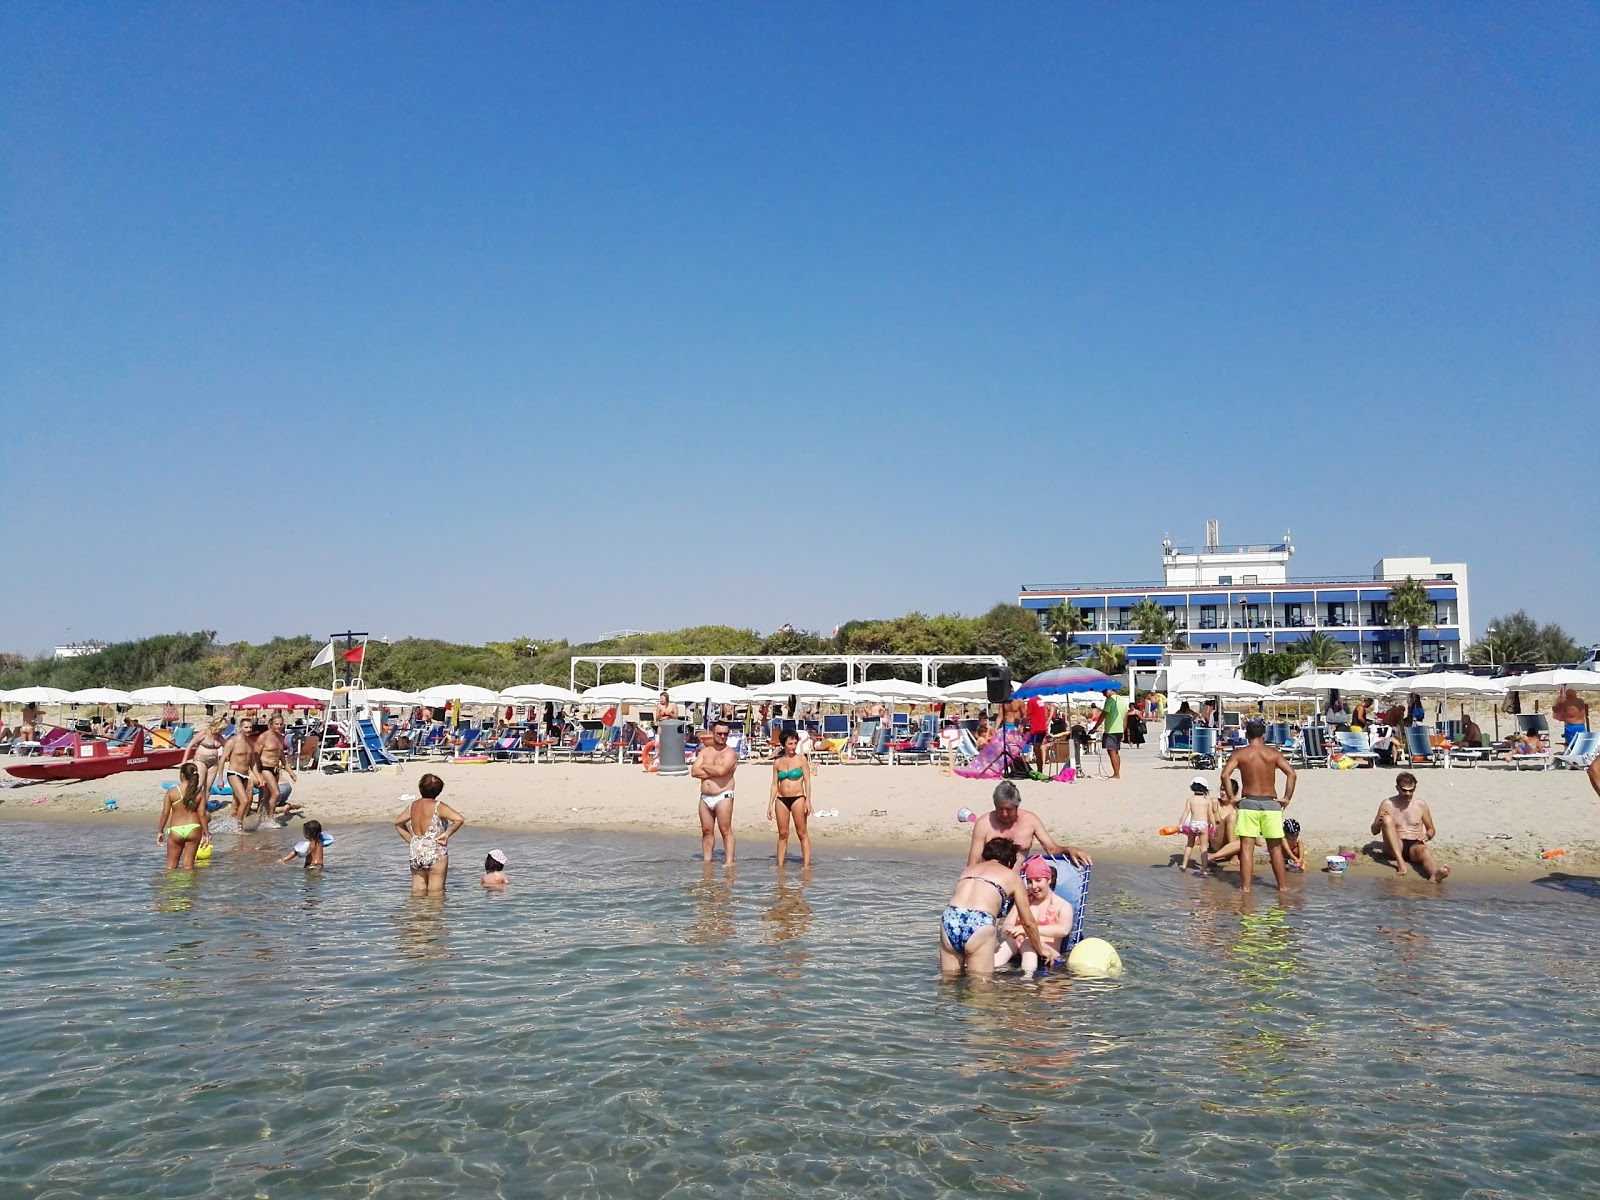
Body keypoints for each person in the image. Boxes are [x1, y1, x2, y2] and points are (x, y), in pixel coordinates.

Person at [940, 837, 1046, 978]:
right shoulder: (1013, 878)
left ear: (984, 857)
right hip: (979, 921)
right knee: (981, 988)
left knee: (948, 981)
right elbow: (1028, 922)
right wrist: (1040, 949)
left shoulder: (968, 870)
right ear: (1010, 862)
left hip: (950, 917)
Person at [1217, 719, 1297, 892]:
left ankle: (1245, 888)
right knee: (1275, 848)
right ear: (1263, 735)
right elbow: (1292, 774)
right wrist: (1286, 798)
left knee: (1247, 847)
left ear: (1246, 735)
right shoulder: (1273, 754)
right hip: (1271, 804)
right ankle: (1282, 888)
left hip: (1248, 803)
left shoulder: (1240, 754)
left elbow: (1225, 775)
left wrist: (1231, 798)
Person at [965, 781, 1092, 867]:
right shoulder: (984, 824)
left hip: (1018, 884)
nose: (1004, 814)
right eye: (1000, 809)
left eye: (1009, 810)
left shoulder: (1030, 821)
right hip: (990, 885)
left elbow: (1052, 849)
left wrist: (1069, 849)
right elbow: (973, 863)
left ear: (1017, 806)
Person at [994, 857, 1074, 973]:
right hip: (1018, 948)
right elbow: (1006, 928)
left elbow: (1063, 930)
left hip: (1047, 952)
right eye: (1029, 881)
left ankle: (1028, 980)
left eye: (1038, 880)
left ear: (1049, 879)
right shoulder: (1023, 902)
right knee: (1010, 941)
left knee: (1029, 941)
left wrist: (1027, 930)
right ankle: (988, 972)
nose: (1033, 886)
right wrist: (1011, 931)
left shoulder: (1062, 905)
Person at [395, 774, 465, 896]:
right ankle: (433, 914)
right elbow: (459, 819)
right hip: (435, 851)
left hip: (416, 851)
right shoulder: (438, 806)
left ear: (420, 788)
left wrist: (412, 840)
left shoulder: (413, 806)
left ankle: (418, 915)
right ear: (439, 791)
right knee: (436, 892)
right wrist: (447, 834)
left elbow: (398, 823)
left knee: (417, 891)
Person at [1371, 773, 1450, 882]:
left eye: (1411, 790)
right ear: (1397, 788)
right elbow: (1374, 831)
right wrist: (1378, 823)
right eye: (1404, 790)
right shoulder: (1387, 804)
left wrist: (1427, 835)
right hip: (1395, 845)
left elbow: (1431, 828)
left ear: (1415, 788)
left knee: (1425, 851)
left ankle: (1434, 874)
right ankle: (1401, 862)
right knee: (1387, 819)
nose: (1408, 794)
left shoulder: (1420, 804)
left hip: (1414, 845)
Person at [691, 718, 738, 865]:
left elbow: (722, 770)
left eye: (725, 734)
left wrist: (704, 766)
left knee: (725, 829)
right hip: (705, 797)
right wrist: (713, 771)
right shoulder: (705, 752)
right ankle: (707, 860)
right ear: (713, 733)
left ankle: (729, 862)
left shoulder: (729, 753)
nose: (723, 737)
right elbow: (694, 772)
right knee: (706, 830)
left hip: (723, 795)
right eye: (719, 734)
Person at [766, 729, 812, 868]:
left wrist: (808, 800)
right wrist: (770, 804)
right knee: (783, 834)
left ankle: (806, 865)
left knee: (801, 832)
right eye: (790, 743)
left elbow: (807, 781)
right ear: (784, 744)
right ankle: (780, 865)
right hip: (781, 799)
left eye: (795, 743)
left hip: (798, 798)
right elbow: (775, 784)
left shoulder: (801, 759)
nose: (793, 746)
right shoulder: (777, 762)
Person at [156, 762, 210, 869]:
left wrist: (160, 831)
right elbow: (202, 815)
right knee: (188, 867)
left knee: (171, 867)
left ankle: (174, 886)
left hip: (176, 829)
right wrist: (206, 833)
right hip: (193, 829)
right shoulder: (199, 793)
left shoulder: (171, 792)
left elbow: (165, 814)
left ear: (182, 775)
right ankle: (189, 886)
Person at [255, 714, 299, 819]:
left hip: (275, 768)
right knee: (276, 793)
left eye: (281, 724)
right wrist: (257, 773)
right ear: (271, 724)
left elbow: (282, 758)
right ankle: (270, 818)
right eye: (276, 724)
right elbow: (255, 755)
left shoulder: (280, 737)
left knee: (267, 795)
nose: (279, 726)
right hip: (265, 768)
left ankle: (261, 816)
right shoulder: (263, 737)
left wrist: (291, 772)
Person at [220, 717, 259, 825]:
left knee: (236, 803)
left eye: (250, 727)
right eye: (246, 727)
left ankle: (228, 824)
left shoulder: (251, 743)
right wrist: (220, 779)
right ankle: (239, 827)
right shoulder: (232, 741)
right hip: (234, 774)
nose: (248, 729)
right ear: (240, 728)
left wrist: (258, 776)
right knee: (245, 800)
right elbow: (222, 760)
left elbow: (252, 763)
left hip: (245, 775)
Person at [181, 716, 228, 803]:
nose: (223, 731)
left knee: (208, 787)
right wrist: (184, 760)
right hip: (200, 760)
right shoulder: (204, 733)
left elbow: (228, 746)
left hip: (213, 762)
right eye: (222, 729)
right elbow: (190, 745)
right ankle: (191, 803)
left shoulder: (219, 736)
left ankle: (203, 807)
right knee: (199, 784)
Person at [1088, 687, 1128, 779]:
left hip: (1111, 730)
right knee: (1116, 752)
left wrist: (1095, 727)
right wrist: (1123, 730)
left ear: (1110, 690)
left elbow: (1103, 715)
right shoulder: (1122, 700)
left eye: (1104, 691)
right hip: (1119, 730)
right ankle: (1117, 773)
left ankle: (1116, 774)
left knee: (1112, 752)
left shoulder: (1110, 700)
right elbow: (1125, 717)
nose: (1103, 694)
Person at [1176, 775, 1213, 874]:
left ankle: (1184, 865)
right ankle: (1204, 870)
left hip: (1193, 824)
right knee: (1204, 847)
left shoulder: (1190, 800)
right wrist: (1214, 825)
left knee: (1189, 845)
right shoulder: (1207, 801)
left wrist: (1181, 824)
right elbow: (1210, 814)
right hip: (1203, 824)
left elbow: (1186, 812)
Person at [1026, 696, 1051, 774]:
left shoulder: (1032, 701)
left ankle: (1039, 770)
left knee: (1037, 749)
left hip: (1036, 728)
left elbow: (1028, 715)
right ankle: (1040, 769)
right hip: (1042, 727)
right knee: (1038, 749)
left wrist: (1022, 724)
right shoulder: (1039, 699)